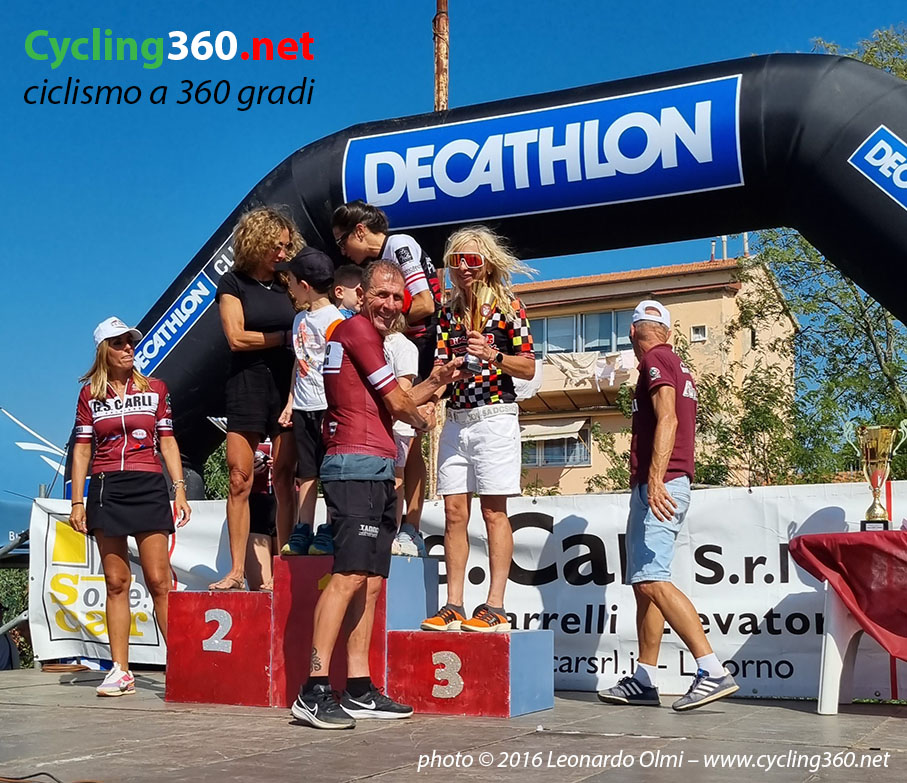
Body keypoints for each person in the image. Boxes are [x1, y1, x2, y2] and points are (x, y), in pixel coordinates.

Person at [291, 260, 462, 730]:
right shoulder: (358, 332)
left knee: (369, 582)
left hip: (378, 468)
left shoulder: (368, 339)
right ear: (362, 295)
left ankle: (359, 687)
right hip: (355, 467)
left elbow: (387, 403)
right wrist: (423, 419)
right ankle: (313, 689)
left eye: (397, 297)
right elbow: (398, 405)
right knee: (347, 576)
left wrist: (437, 381)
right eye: (381, 295)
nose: (389, 304)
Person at [597, 300, 739, 712]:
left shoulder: (656, 360)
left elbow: (669, 419)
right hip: (667, 479)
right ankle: (645, 678)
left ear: (631, 332)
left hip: (662, 481)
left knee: (652, 580)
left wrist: (656, 479)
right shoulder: (673, 360)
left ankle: (711, 669)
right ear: (669, 332)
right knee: (645, 585)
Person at [420, 226, 536, 633]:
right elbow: (439, 366)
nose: (464, 268)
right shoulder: (447, 313)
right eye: (456, 261)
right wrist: (437, 386)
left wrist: (493, 354)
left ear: (486, 264)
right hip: (456, 417)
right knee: (453, 512)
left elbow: (528, 366)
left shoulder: (509, 307)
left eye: (471, 260)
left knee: (493, 511)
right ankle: (453, 604)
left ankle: (496, 605)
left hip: (494, 416)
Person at [69, 317, 191, 696]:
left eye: (130, 342)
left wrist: (179, 488)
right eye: (119, 343)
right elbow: (82, 449)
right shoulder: (90, 395)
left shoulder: (155, 388)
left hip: (148, 484)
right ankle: (121, 670)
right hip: (106, 487)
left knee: (159, 581)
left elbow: (167, 441)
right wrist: (77, 501)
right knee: (116, 582)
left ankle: (184, 669)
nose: (128, 348)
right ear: (104, 350)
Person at [332, 201, 441, 554]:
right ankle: (393, 522)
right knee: (398, 438)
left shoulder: (399, 244)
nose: (343, 251)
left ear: (360, 230)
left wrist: (383, 321)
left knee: (408, 440)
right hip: (407, 342)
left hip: (417, 345)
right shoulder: (388, 255)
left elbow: (425, 303)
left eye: (342, 241)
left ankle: (409, 526)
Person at [210, 206, 303, 590]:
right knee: (239, 479)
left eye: (286, 246)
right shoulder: (233, 283)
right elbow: (236, 337)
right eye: (275, 246)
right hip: (246, 385)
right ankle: (236, 572)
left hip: (287, 386)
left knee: (284, 476)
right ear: (256, 242)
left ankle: (285, 570)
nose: (282, 253)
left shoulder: (289, 283)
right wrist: (284, 337)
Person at [276, 248, 345, 556]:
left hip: (328, 405)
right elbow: (299, 360)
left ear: (304, 285)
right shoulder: (299, 320)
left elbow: (340, 366)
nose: (288, 287)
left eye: (291, 281)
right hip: (303, 405)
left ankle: (329, 528)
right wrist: (290, 400)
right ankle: (303, 527)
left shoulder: (336, 320)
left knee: (328, 469)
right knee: (306, 470)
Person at [381, 316, 424, 556]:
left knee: (395, 478)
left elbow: (404, 388)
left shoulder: (403, 345)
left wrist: (390, 415)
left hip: (397, 424)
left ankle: (391, 533)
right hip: (373, 422)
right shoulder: (368, 341)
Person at [245, 439, 276, 591]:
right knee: (261, 588)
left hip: (287, 502)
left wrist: (288, 465)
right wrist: (245, 468)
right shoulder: (249, 427)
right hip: (255, 502)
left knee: (285, 586)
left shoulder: (294, 425)